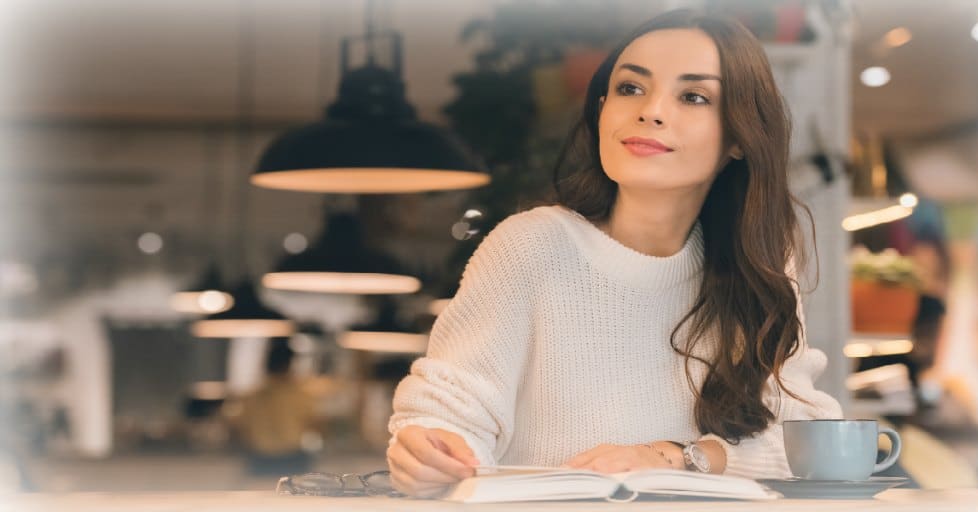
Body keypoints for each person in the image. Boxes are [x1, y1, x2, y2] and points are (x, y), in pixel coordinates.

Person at [386, 9, 842, 497]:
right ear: (602, 109)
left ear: (738, 136)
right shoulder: (529, 247)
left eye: (693, 96)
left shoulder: (760, 267)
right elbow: (450, 410)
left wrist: (673, 457)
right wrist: (430, 450)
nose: (651, 110)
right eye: (630, 88)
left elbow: (806, 438)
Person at [230, 338, 319, 476]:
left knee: (260, 494)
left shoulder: (252, 395)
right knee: (297, 494)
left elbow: (239, 426)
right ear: (289, 365)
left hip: (260, 458)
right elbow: (314, 424)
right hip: (293, 458)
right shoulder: (300, 394)